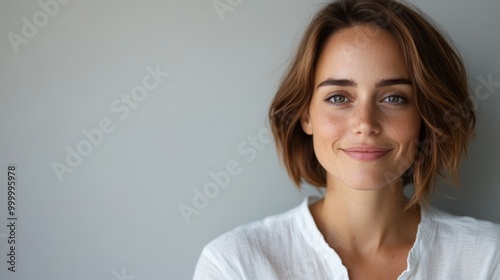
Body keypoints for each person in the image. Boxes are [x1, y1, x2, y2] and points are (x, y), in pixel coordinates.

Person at [193, 0, 500, 279]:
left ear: (425, 116)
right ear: (306, 115)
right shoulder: (235, 265)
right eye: (339, 97)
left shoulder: (488, 259)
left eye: (394, 98)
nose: (365, 123)